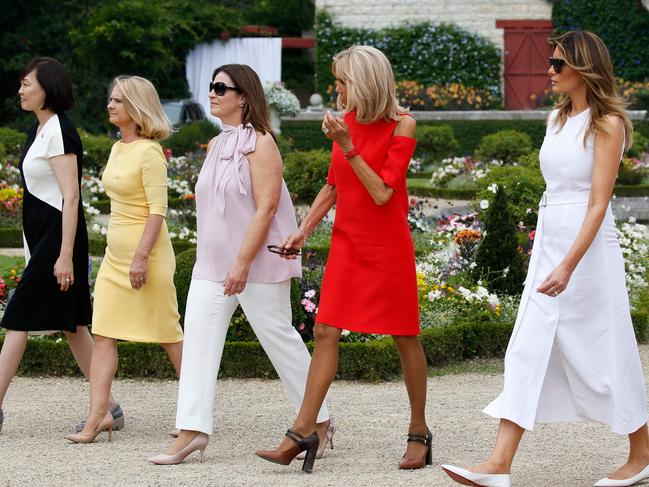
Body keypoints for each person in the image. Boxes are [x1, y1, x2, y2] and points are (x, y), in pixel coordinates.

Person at [441, 31, 649, 487]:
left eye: (558, 64)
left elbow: (598, 204)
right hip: (552, 244)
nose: (549, 71)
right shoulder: (557, 120)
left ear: (584, 68)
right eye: (550, 63)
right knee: (527, 348)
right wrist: (547, 255)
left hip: (588, 253)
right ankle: (498, 465)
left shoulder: (607, 124)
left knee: (605, 350)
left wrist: (569, 265)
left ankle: (642, 454)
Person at [255, 45, 430, 473]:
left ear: (365, 82)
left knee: (404, 335)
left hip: (387, 246)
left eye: (342, 81)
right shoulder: (344, 124)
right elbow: (334, 186)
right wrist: (302, 229)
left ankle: (419, 430)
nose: (337, 89)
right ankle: (303, 430)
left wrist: (349, 145)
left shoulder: (402, 125)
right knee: (325, 328)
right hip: (348, 243)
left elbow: (383, 192)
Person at [148, 64, 333, 466]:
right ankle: (192, 430)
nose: (211, 93)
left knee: (278, 337)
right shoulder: (215, 145)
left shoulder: (262, 142)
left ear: (243, 96)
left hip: (257, 263)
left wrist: (242, 262)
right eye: (210, 87)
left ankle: (318, 418)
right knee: (198, 341)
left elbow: (266, 208)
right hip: (210, 264)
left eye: (220, 87)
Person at [0, 57, 121, 433]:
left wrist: (64, 255)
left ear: (47, 89)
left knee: (17, 319)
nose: (20, 90)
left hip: (58, 240)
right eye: (20, 84)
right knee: (72, 326)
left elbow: (72, 197)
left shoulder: (59, 131)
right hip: (44, 240)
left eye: (26, 84)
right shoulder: (37, 131)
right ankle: (110, 409)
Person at [66, 75, 183, 443]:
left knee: (169, 335)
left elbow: (157, 210)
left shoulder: (149, 153)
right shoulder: (119, 147)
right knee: (103, 334)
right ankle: (97, 417)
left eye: (118, 100)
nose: (110, 105)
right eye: (111, 99)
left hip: (146, 257)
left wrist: (140, 258)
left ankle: (195, 413)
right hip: (115, 259)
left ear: (136, 108)